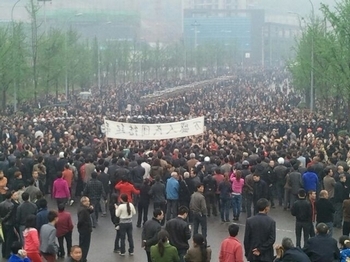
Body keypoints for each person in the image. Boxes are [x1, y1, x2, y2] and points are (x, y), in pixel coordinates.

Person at [244, 198, 276, 262]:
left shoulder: (249, 221)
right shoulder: (271, 222)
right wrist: (260, 249)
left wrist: (248, 253)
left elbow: (246, 240)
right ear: (266, 208)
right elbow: (272, 239)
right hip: (266, 256)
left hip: (253, 254)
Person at [77, 196, 93, 262]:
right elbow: (81, 220)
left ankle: (82, 258)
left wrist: (91, 209)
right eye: (87, 201)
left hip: (84, 229)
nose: (89, 202)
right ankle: (83, 258)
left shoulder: (83, 208)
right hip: (85, 230)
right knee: (85, 245)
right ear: (83, 202)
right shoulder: (83, 210)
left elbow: (88, 212)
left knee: (83, 244)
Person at [0, 191, 15, 259]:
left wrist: (2, 219)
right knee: (9, 239)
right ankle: (7, 254)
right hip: (9, 223)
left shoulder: (1, 203)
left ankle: (3, 253)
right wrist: (4, 219)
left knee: (4, 238)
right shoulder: (11, 205)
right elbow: (9, 214)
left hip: (3, 223)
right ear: (10, 196)